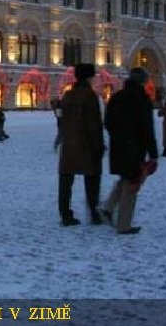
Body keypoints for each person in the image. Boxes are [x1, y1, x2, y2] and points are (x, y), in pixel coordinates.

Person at [103, 67, 159, 235]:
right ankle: (123, 225)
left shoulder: (116, 97)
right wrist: (153, 152)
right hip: (135, 148)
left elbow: (107, 122)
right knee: (132, 183)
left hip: (119, 146)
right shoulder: (142, 99)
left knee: (125, 178)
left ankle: (107, 208)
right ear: (143, 81)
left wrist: (118, 137)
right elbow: (147, 128)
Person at [58, 63, 104, 227]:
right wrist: (98, 145)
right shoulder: (89, 95)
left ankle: (65, 214)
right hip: (86, 144)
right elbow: (93, 123)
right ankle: (93, 213)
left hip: (69, 144)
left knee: (65, 180)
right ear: (89, 77)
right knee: (92, 179)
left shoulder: (68, 94)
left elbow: (61, 119)